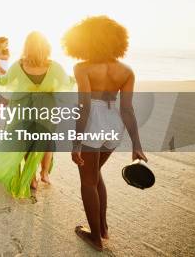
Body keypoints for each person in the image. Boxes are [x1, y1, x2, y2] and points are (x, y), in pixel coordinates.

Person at [63, 16, 147, 252]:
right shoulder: (127, 71)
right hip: (114, 123)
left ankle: (96, 239)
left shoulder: (82, 68)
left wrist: (76, 142)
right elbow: (127, 108)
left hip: (92, 122)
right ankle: (103, 228)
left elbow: (85, 106)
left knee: (87, 181)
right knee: (95, 172)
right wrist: (136, 144)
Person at [0, 31, 75, 198]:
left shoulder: (18, 65)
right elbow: (66, 83)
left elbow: (4, 81)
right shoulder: (55, 67)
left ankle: (32, 178)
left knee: (26, 142)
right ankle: (44, 173)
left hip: (22, 110)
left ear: (26, 47)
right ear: (46, 47)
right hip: (47, 110)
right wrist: (81, 76)